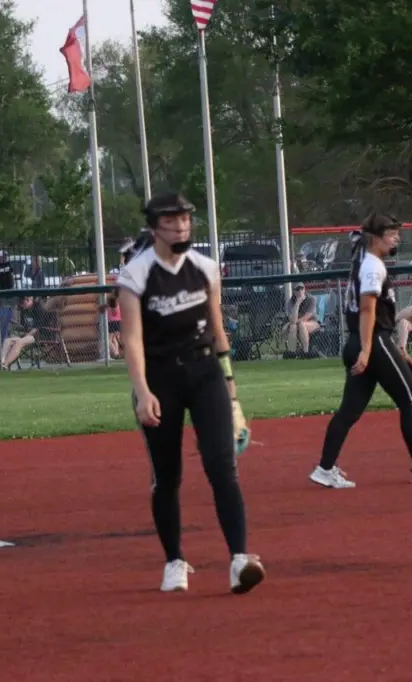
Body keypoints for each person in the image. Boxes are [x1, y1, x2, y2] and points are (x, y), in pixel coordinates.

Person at [116, 190, 264, 595]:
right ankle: (174, 561)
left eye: (185, 220)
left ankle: (239, 559)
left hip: (205, 373)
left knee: (223, 467)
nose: (181, 228)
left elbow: (217, 329)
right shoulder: (135, 276)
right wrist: (142, 392)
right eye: (171, 222)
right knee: (167, 477)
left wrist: (232, 391)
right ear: (154, 228)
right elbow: (132, 340)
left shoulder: (205, 268)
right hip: (160, 378)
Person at [309, 211, 412, 489]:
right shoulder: (372, 265)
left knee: (349, 411)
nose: (397, 238)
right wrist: (368, 351)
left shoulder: (363, 260)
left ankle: (324, 468)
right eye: (391, 233)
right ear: (375, 238)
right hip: (373, 340)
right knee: (409, 400)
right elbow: (367, 310)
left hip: (361, 341)